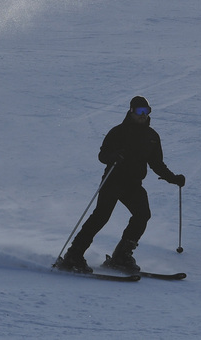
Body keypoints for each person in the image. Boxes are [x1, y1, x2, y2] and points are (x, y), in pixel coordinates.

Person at [56, 96, 185, 274]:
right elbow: (102, 155)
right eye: (140, 112)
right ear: (131, 111)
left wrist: (173, 178)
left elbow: (156, 164)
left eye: (146, 112)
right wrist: (114, 156)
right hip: (113, 180)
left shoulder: (152, 137)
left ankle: (121, 256)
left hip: (133, 184)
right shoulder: (118, 132)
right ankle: (74, 255)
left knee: (142, 215)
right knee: (101, 216)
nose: (143, 115)